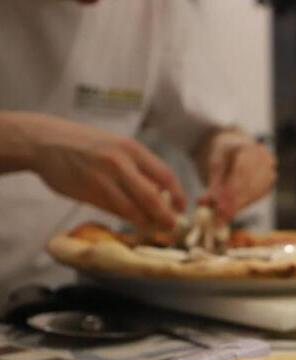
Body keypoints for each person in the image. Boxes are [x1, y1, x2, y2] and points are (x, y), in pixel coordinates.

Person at [0, 0, 276, 297]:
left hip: (71, 290)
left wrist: (231, 150)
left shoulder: (156, 9)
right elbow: (41, 142)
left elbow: (204, 129)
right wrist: (32, 141)